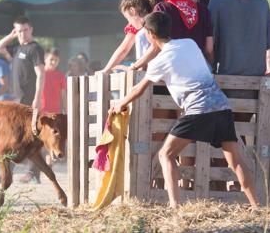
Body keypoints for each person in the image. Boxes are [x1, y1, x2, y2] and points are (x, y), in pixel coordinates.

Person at [110, 11, 259, 208]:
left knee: (166, 155)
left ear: (150, 34)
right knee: (235, 162)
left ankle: (175, 207)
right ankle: (257, 207)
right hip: (221, 106)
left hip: (198, 110)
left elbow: (139, 89)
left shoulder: (159, 62)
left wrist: (120, 103)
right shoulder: (189, 43)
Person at [133, 0, 214, 70]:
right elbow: (209, 49)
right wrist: (210, 68)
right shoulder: (202, 9)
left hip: (174, 71)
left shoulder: (162, 8)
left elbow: (156, 46)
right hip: (199, 70)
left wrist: (135, 66)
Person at [0, 16, 45, 183]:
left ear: (31, 29)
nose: (22, 34)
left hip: (29, 98)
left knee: (30, 137)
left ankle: (31, 172)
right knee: (14, 137)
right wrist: (11, 35)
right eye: (19, 31)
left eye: (24, 30)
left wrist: (37, 97)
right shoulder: (16, 49)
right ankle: (7, 171)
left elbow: (41, 74)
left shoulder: (35, 48)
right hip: (16, 98)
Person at [101, 0, 158, 74]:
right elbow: (123, 49)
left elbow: (125, 49)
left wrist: (134, 67)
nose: (129, 23)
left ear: (132, 10)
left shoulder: (142, 32)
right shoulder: (154, 18)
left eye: (128, 18)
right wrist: (107, 69)